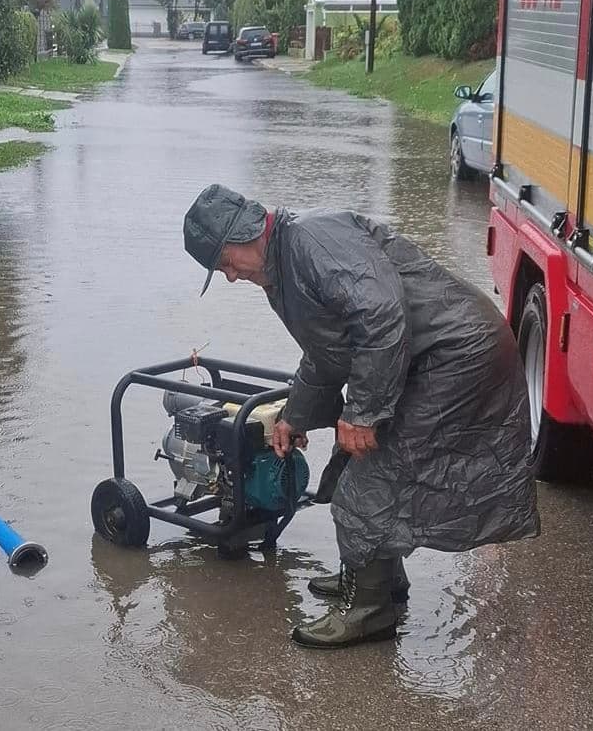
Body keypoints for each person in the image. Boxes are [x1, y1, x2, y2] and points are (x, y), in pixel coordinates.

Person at [182, 183, 540, 649]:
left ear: (247, 231)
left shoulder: (310, 240)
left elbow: (381, 315)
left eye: (226, 261)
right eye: (220, 270)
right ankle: (377, 581)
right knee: (356, 465)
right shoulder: (282, 263)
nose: (230, 276)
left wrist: (365, 413)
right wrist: (295, 416)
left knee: (368, 479)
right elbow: (328, 352)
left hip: (455, 356)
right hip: (425, 356)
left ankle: (369, 610)